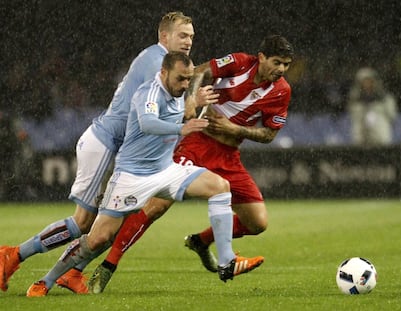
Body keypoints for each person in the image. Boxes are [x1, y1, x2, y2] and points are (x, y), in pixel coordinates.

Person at [0, 11, 215, 294]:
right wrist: (193, 104)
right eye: (182, 35)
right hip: (104, 142)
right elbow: (165, 118)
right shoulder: (155, 63)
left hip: (122, 149)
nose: (188, 41)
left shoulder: (162, 63)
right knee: (83, 223)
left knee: (114, 221)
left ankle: (72, 273)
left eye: (191, 36)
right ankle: (13, 256)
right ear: (165, 37)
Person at [26, 51, 264, 297]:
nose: (185, 85)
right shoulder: (148, 93)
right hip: (133, 176)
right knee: (98, 238)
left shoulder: (178, 94)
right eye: (180, 79)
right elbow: (148, 123)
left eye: (188, 79)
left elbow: (183, 110)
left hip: (166, 170)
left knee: (220, 186)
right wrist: (184, 124)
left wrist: (195, 103)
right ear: (163, 73)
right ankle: (47, 280)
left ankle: (226, 262)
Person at [87, 34, 294, 293]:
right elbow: (199, 71)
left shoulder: (282, 91)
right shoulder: (241, 63)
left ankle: (200, 241)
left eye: (286, 65)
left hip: (229, 155)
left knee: (257, 223)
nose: (281, 70)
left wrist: (234, 128)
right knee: (156, 206)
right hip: (197, 143)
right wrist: (190, 101)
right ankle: (108, 265)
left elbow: (269, 135)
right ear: (262, 57)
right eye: (277, 62)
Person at [347, 67, 397, 146]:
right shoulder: (356, 98)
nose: (367, 84)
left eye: (369, 81)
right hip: (363, 133)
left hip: (380, 133)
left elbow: (392, 115)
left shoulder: (383, 97)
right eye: (364, 81)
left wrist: (376, 110)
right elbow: (353, 114)